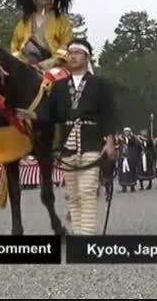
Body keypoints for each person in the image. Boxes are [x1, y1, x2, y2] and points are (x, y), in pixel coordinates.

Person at [49, 38, 116, 235]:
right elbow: (49, 115)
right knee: (72, 193)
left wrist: (110, 141)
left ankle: (86, 234)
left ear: (87, 57)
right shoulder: (59, 86)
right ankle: (77, 234)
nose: (73, 56)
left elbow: (108, 114)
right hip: (68, 143)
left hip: (92, 140)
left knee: (87, 190)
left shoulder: (99, 84)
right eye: (70, 53)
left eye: (77, 53)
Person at [10, 0, 74, 72]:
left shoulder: (62, 22)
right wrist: (20, 60)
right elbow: (15, 46)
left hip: (54, 66)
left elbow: (66, 45)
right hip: (25, 65)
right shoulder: (24, 22)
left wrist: (50, 62)